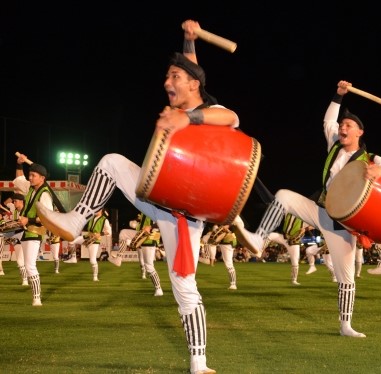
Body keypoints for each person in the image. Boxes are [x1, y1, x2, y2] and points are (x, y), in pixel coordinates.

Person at [36, 19, 237, 374]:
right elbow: (193, 72)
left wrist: (186, 118)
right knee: (111, 162)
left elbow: (230, 115)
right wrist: (188, 40)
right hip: (155, 195)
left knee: (184, 288)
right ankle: (75, 220)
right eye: (167, 76)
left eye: (174, 77)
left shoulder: (207, 113)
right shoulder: (183, 101)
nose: (167, 82)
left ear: (193, 85)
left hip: (183, 216)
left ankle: (199, 362)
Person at [233, 80, 381, 338]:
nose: (342, 128)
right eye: (342, 125)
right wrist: (338, 95)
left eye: (349, 126)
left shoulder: (370, 158)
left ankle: (345, 325)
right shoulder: (334, 146)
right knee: (283, 195)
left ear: (360, 133)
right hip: (320, 210)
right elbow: (328, 121)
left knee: (347, 280)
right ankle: (259, 238)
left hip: (341, 226)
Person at [14, 155, 55, 306]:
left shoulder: (44, 194)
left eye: (33, 175)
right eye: (30, 175)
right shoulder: (31, 188)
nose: (30, 178)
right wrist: (19, 165)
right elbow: (19, 180)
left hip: (34, 231)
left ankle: (37, 298)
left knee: (30, 265)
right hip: (25, 230)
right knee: (26, 264)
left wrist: (28, 220)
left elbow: (47, 218)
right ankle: (35, 295)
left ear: (42, 178)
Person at [263, 213, 311, 285]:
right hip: (284, 237)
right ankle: (260, 250)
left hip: (294, 242)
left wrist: (305, 229)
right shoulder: (289, 211)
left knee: (295, 262)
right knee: (270, 235)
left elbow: (314, 225)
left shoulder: (304, 215)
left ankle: (294, 280)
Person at [69, 208, 112, 281]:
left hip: (95, 240)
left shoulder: (104, 220)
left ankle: (95, 277)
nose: (96, 211)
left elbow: (109, 232)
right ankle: (73, 258)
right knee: (71, 241)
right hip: (87, 236)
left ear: (101, 210)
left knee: (92, 260)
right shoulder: (91, 218)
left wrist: (100, 233)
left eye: (98, 209)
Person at [0, 193, 28, 284]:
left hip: (27, 237)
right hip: (16, 236)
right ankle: (25, 280)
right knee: (20, 261)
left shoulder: (27, 210)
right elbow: (6, 203)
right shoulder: (14, 209)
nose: (14, 203)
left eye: (15, 201)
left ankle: (28, 278)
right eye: (14, 201)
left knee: (28, 261)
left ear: (21, 202)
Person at [215, 224, 238, 290]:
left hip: (228, 243)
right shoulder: (228, 220)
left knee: (229, 264)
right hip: (227, 242)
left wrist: (226, 227)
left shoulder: (230, 221)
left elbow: (232, 228)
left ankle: (233, 284)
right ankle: (233, 284)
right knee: (228, 264)